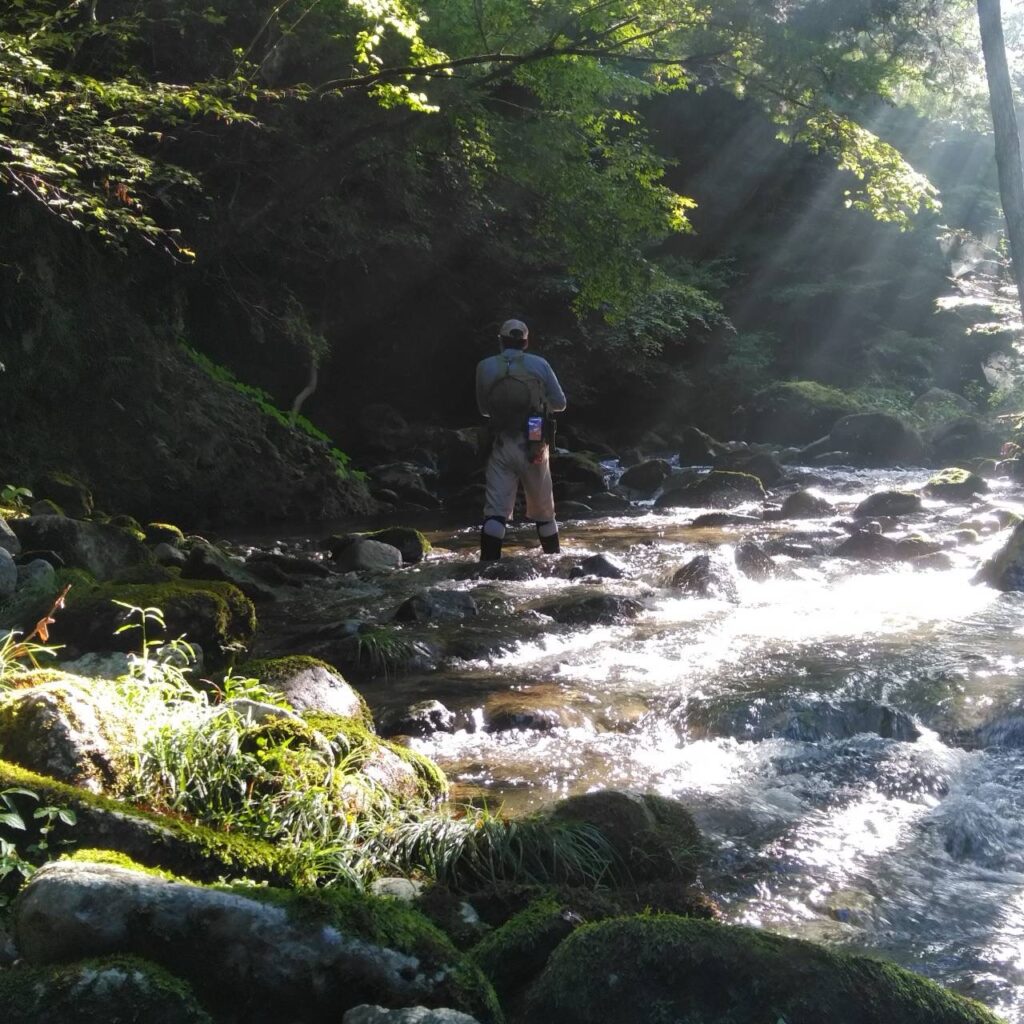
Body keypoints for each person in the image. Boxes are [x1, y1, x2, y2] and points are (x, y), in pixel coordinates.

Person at [475, 318, 566, 561]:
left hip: (500, 440)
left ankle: (488, 568)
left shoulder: (485, 366)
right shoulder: (540, 364)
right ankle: (554, 564)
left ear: (501, 341)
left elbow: (484, 409)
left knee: (495, 511)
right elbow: (560, 403)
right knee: (544, 510)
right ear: (526, 342)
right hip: (534, 436)